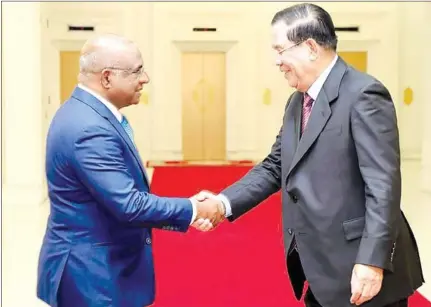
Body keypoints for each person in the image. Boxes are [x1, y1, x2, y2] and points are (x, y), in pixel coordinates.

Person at [198, 3, 424, 307]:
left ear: (310, 47)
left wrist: (372, 262)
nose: (277, 62)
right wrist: (222, 203)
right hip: (320, 269)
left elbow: (383, 187)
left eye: (280, 50)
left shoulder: (364, 95)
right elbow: (275, 166)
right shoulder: (297, 102)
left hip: (363, 271)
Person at [36, 34, 224, 307]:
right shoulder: (89, 128)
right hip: (91, 276)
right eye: (136, 71)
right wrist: (194, 209)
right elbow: (130, 205)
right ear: (107, 78)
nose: (145, 78)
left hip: (97, 268)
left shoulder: (87, 113)